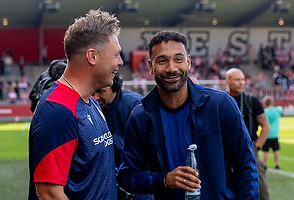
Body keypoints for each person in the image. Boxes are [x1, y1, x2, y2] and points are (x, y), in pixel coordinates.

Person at [118, 30, 259, 200]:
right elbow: (127, 177)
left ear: (189, 62)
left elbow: (246, 165)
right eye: (162, 61)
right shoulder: (140, 117)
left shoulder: (220, 105)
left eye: (178, 59)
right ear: (150, 66)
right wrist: (163, 179)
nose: (171, 68)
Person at [28, 8, 123, 200]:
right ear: (92, 56)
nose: (120, 62)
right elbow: (49, 194)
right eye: (116, 55)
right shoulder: (58, 110)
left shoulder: (90, 102)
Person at [93, 74, 154, 200]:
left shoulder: (136, 105)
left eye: (101, 92)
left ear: (115, 87)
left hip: (138, 183)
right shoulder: (94, 106)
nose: (96, 97)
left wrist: (110, 140)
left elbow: (147, 152)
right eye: (93, 92)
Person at [226, 68, 270, 200]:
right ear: (227, 81)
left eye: (243, 79)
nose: (241, 83)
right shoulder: (221, 100)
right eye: (237, 79)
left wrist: (256, 148)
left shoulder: (252, 101)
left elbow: (266, 127)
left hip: (250, 149)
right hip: (227, 152)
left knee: (260, 188)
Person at [262, 96, 283, 170]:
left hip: (266, 133)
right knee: (276, 149)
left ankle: (264, 164)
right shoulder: (276, 110)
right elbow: (281, 108)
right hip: (275, 133)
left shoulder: (264, 112)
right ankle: (277, 164)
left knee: (266, 150)